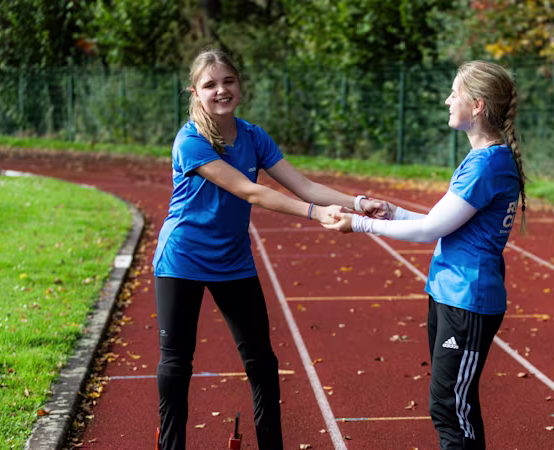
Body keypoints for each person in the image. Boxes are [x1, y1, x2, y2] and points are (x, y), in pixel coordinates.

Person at [151, 48, 388, 450]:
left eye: (228, 81)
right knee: (177, 363)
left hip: (233, 261)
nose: (221, 90)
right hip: (183, 260)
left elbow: (304, 185)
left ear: (239, 85)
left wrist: (356, 202)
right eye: (210, 85)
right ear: (195, 92)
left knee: (262, 362)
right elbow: (250, 191)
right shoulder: (190, 141)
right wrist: (315, 214)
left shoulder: (254, 136)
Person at [322, 60, 528, 449]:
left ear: (478, 105)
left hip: (468, 297)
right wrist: (393, 212)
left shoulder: (488, 164)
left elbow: (432, 229)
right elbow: (445, 221)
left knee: (450, 407)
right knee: (452, 405)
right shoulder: (485, 159)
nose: (448, 100)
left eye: (455, 93)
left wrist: (361, 224)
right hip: (450, 293)